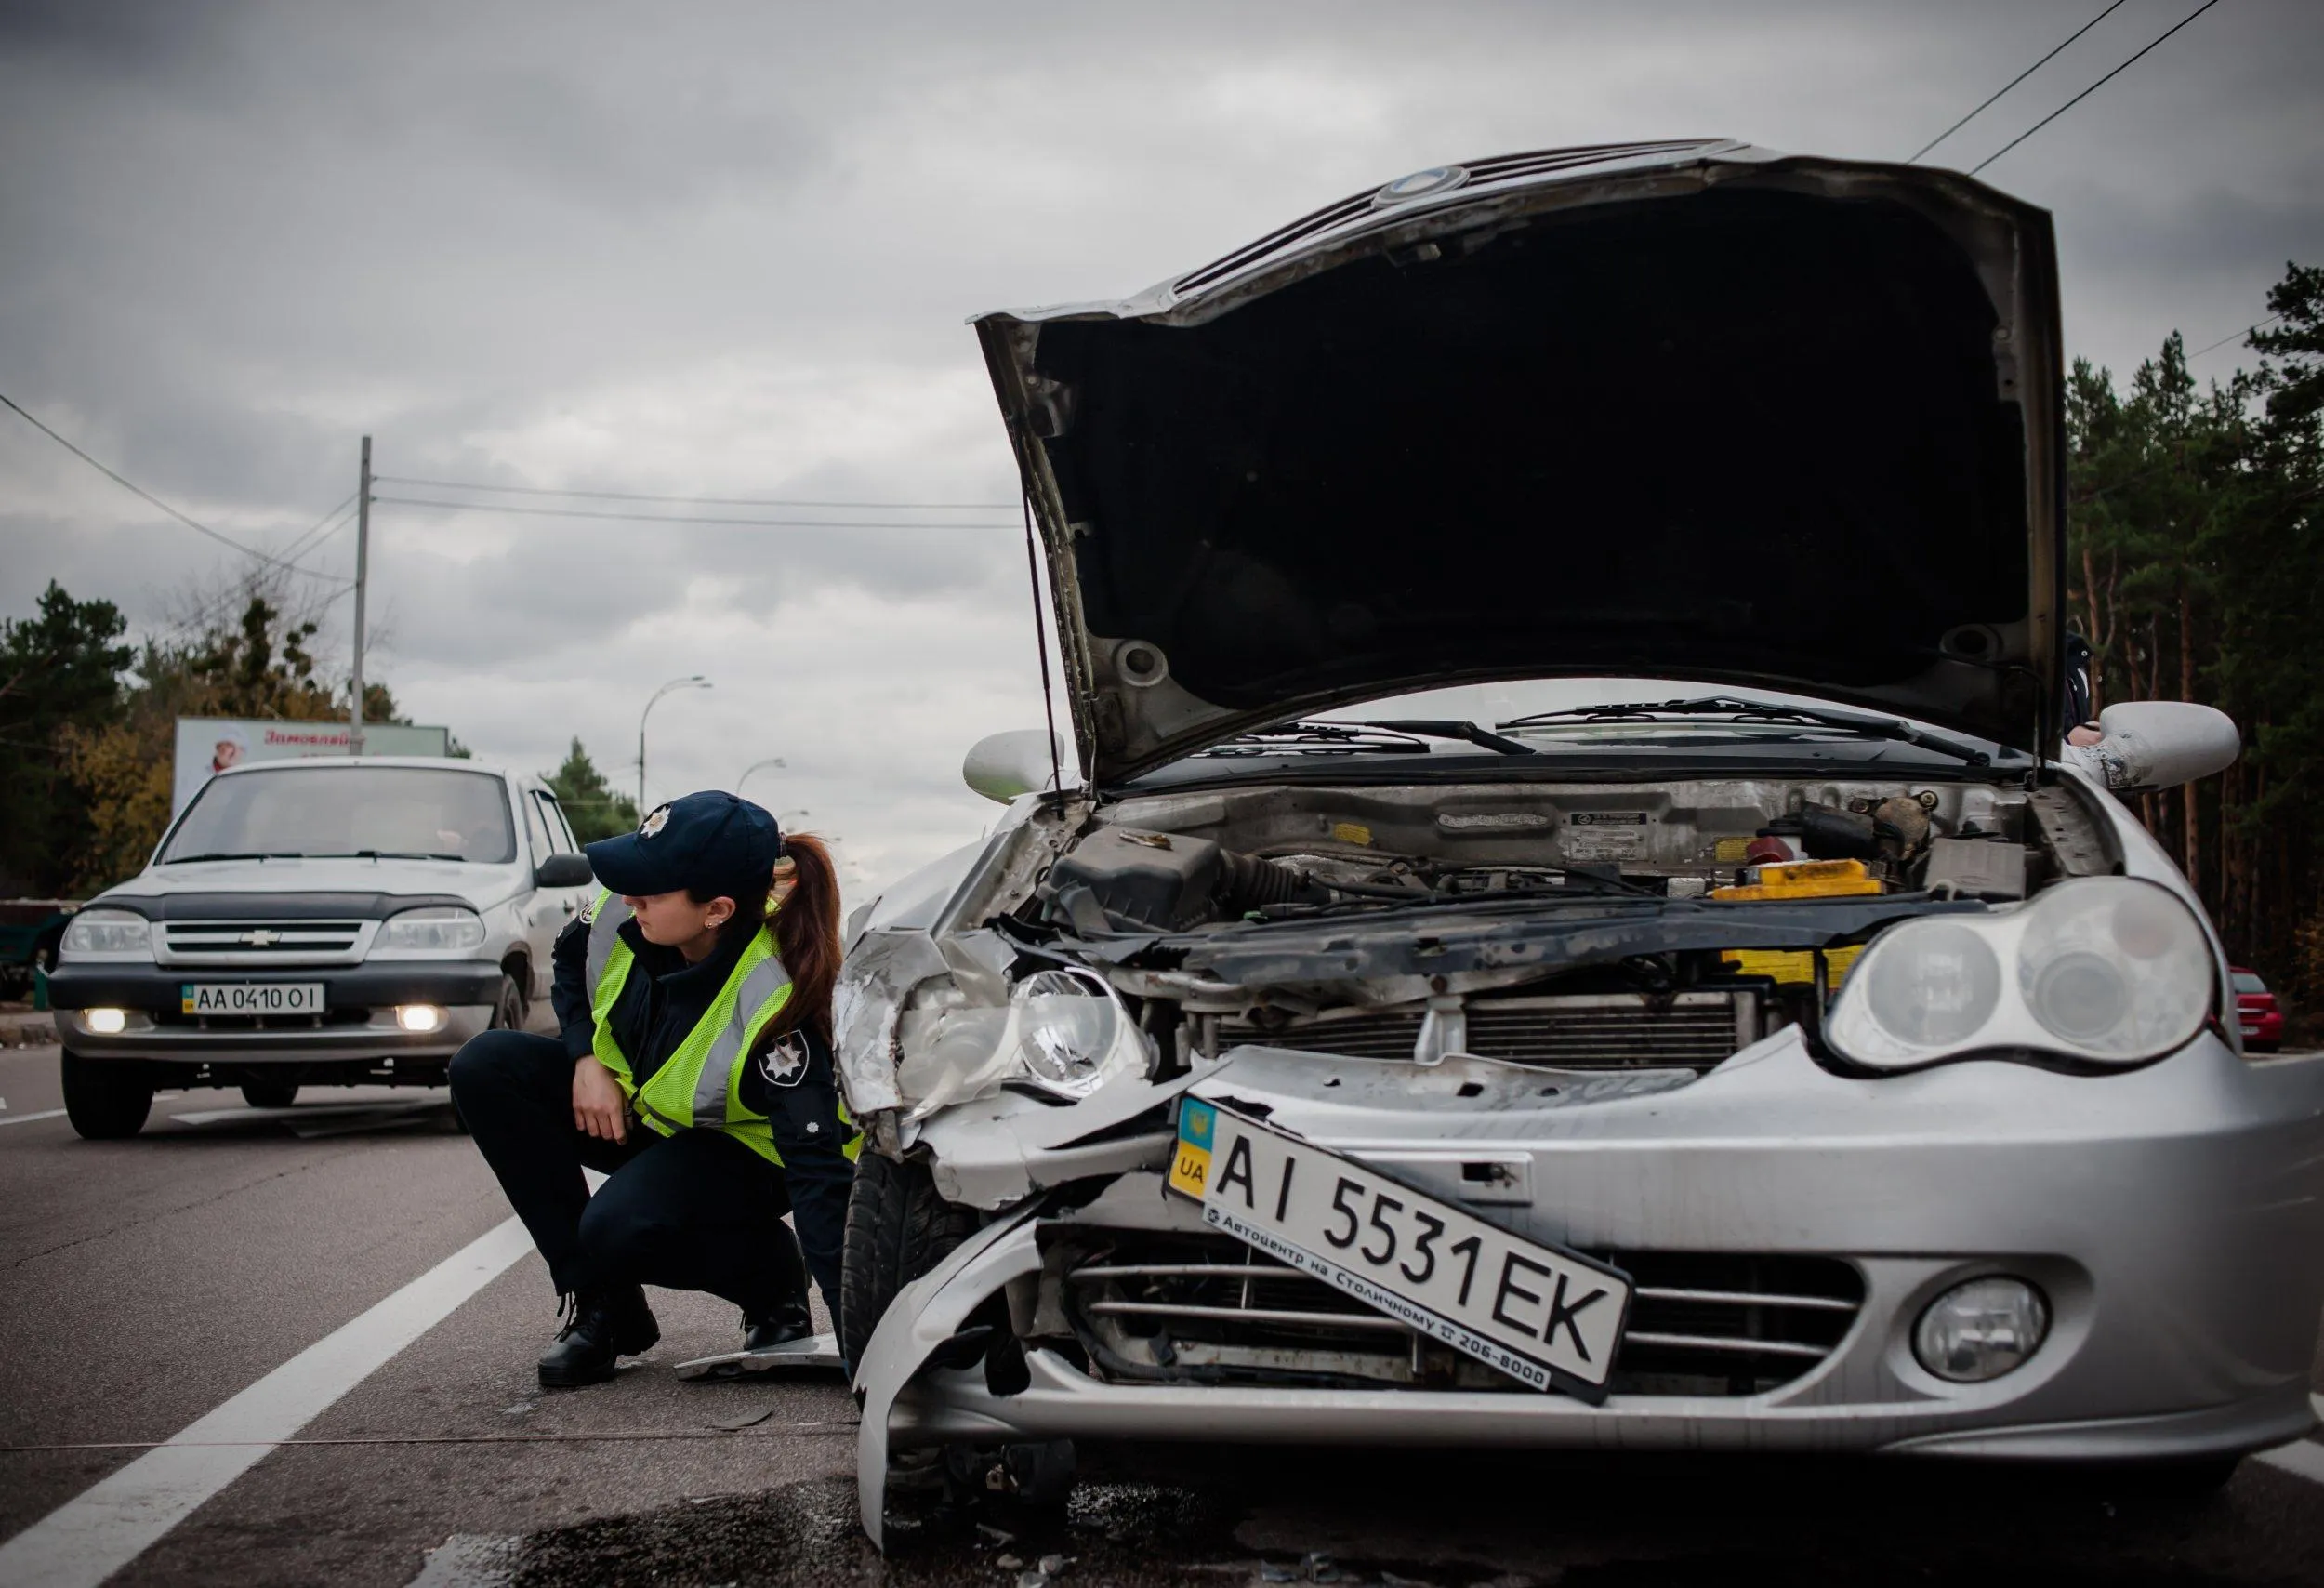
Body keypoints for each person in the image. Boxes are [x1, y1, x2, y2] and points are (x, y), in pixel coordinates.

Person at [448, 790, 857, 1387]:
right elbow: (569, 960)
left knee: (618, 1227)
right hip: (650, 1117)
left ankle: (771, 1282)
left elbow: (822, 1179)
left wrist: (869, 1353)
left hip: (746, 1158)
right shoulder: (626, 913)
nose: (630, 895)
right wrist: (585, 1058)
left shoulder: (779, 1003)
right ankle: (604, 1307)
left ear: (716, 910)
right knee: (487, 1066)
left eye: (652, 888)